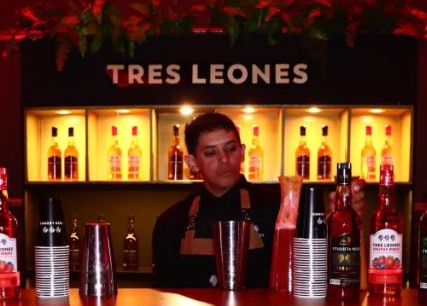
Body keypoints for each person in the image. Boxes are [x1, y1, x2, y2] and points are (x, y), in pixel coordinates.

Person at [151, 112, 365, 288]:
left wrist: (339, 225)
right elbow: (164, 301)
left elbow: (314, 270)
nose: (224, 159)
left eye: (231, 149)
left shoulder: (280, 209)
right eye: (210, 153)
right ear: (192, 163)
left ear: (242, 152)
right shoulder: (171, 222)